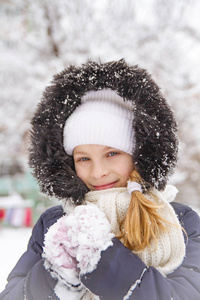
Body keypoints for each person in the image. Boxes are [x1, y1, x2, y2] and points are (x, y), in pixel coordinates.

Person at [1, 59, 200, 300]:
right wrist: (55, 273)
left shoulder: (180, 221)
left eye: (112, 154)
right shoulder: (54, 224)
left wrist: (108, 260)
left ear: (138, 155)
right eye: (84, 159)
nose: (98, 172)